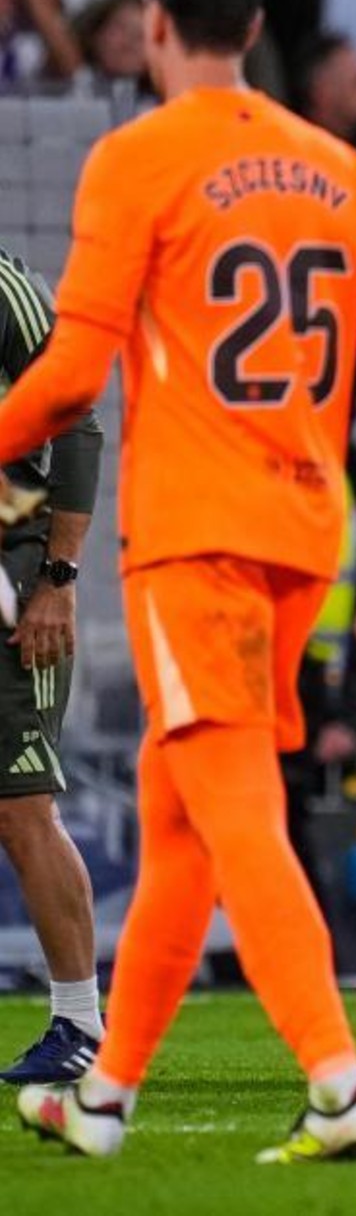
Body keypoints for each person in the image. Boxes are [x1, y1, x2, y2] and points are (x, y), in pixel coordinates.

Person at [4, 0, 356, 1161]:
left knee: (233, 806)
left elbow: (66, 381)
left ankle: (337, 1080)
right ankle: (102, 1099)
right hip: (309, 536)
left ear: (152, 19)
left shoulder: (137, 158)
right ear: (254, 28)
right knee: (183, 819)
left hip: (194, 533)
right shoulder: (341, 170)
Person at [0, 249, 105, 1087]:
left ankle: (81, 1024)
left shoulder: (5, 285)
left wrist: (55, 582)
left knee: (23, 806)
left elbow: (77, 418)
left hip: (14, 572)